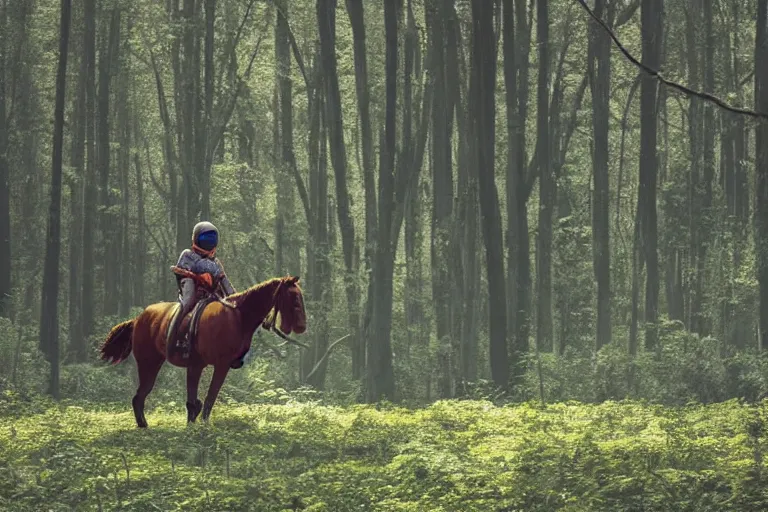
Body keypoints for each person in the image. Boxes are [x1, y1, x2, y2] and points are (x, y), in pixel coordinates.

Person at [166, 221, 236, 360]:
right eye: (205, 239)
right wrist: (199, 276)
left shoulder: (216, 262)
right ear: (196, 239)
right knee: (187, 302)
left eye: (212, 239)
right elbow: (183, 270)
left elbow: (225, 282)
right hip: (191, 283)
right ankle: (174, 339)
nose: (209, 242)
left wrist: (236, 298)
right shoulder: (187, 255)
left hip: (210, 291)